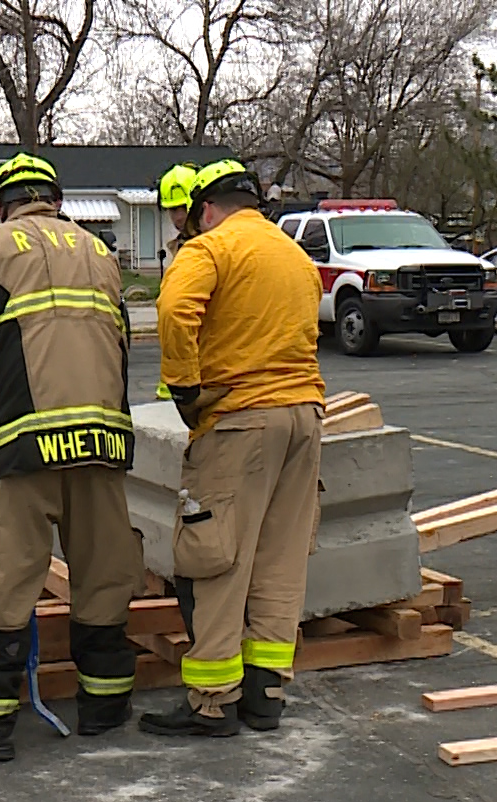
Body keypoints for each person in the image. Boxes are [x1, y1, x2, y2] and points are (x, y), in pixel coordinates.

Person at [0, 153, 144, 762]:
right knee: (103, 577)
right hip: (101, 441)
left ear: (3, 204)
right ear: (55, 200)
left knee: (9, 581)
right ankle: (105, 706)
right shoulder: (101, 252)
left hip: (24, 443)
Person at [141, 159, 326, 737]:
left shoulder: (209, 248)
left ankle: (212, 702)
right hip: (304, 416)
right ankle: (264, 695)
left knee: (214, 555)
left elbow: (173, 311)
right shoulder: (293, 254)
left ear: (207, 209)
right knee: (279, 558)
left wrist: (185, 386)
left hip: (240, 422)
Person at [153, 162, 201, 402]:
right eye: (172, 210)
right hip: (178, 379)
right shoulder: (180, 248)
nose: (177, 217)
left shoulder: (212, 247)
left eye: (182, 208)